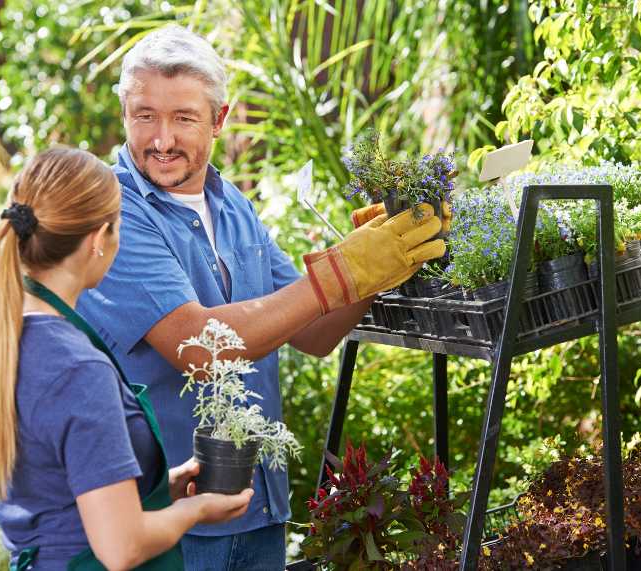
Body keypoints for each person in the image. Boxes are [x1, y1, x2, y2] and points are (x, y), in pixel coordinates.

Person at [77, 25, 446, 570]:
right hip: (173, 525)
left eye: (182, 118)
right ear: (125, 113)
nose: (161, 139)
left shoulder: (232, 207)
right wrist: (342, 271)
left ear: (219, 119)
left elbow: (313, 331)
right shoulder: (114, 214)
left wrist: (381, 259)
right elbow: (198, 347)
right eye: (144, 115)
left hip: (260, 512)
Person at [0, 147, 253, 571]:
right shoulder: (77, 368)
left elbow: (57, 489)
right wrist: (198, 510)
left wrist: (163, 487)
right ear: (98, 240)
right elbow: (121, 547)